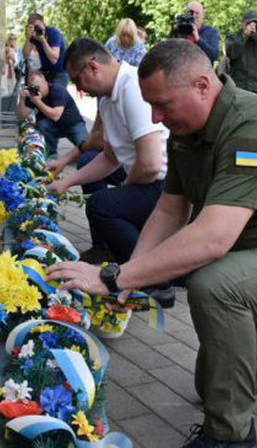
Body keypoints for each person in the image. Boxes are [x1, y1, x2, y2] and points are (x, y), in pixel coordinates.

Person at [47, 39, 257, 448]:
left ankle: (230, 437)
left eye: (163, 104)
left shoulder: (251, 126)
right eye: (150, 106)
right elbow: (170, 211)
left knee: (213, 285)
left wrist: (114, 277)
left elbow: (213, 238)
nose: (155, 116)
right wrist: (134, 274)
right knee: (216, 384)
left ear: (203, 86)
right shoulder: (185, 131)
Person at [48, 38, 170, 281]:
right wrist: (66, 182)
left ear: (93, 67)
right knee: (93, 174)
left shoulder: (133, 88)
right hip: (146, 177)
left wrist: (124, 191)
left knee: (101, 205)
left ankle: (152, 278)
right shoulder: (106, 99)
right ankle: (116, 252)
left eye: (77, 81)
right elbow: (110, 158)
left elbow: (150, 165)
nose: (79, 90)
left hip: (166, 185)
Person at [16, 70, 86, 157]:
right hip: (52, 127)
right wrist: (22, 99)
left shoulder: (57, 90)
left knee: (86, 150)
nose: (36, 90)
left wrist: (38, 102)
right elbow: (22, 116)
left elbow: (56, 116)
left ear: (45, 82)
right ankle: (51, 153)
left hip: (73, 125)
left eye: (38, 87)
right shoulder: (33, 94)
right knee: (42, 125)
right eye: (32, 87)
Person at [23, 13, 69, 89]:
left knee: (57, 96)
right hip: (46, 74)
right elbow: (25, 55)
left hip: (60, 73)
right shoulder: (34, 36)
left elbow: (54, 59)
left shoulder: (53, 33)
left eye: (37, 26)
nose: (36, 29)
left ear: (43, 22)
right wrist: (28, 38)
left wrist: (43, 41)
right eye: (32, 27)